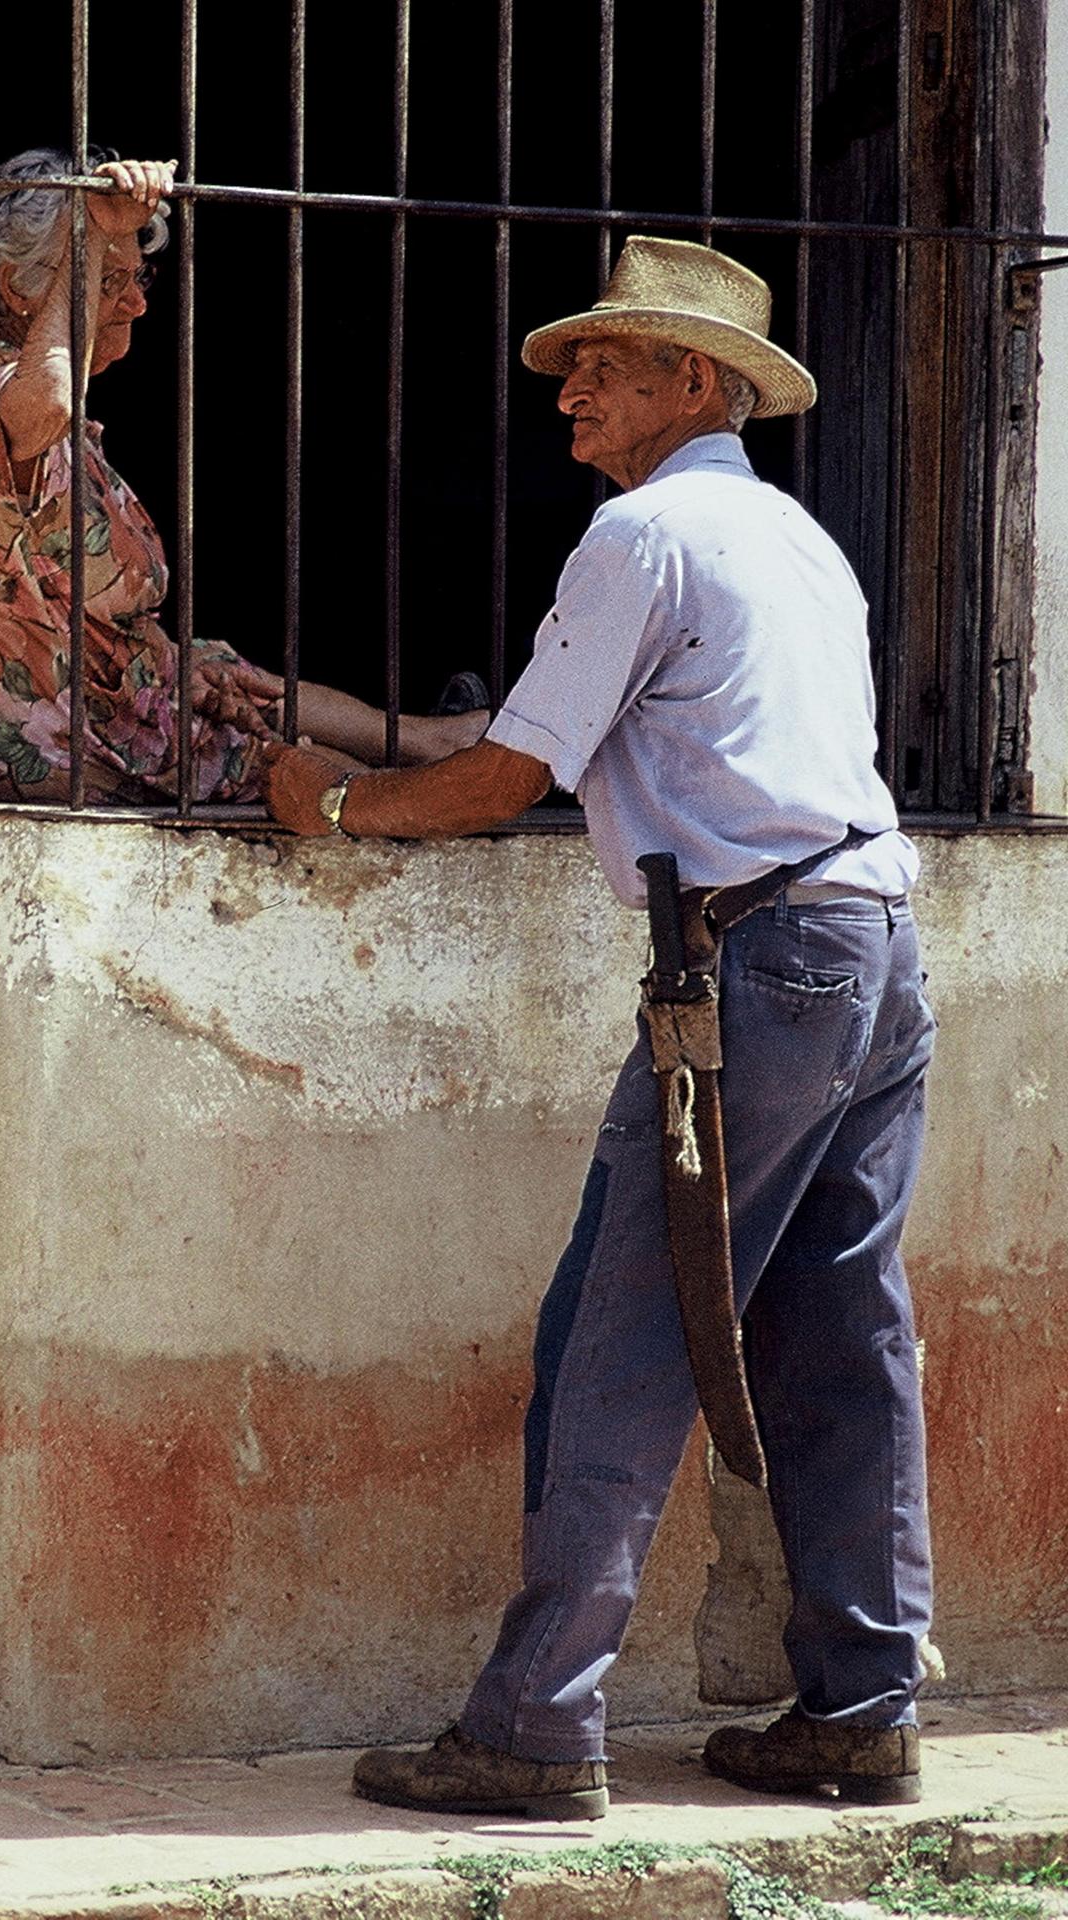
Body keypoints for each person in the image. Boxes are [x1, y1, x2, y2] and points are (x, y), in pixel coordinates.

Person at [267, 236, 936, 1819]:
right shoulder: (793, 540)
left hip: (760, 965)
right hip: (875, 944)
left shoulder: (639, 538)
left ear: (692, 384)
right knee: (843, 1337)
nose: (569, 389)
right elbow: (557, 745)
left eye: (605, 364)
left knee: (615, 1338)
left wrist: (343, 806)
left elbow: (507, 777)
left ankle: (535, 1727)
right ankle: (865, 1702)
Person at [0, 149, 489, 804]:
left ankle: (433, 748)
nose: (136, 302)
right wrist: (90, 234)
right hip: (53, 743)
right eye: (105, 279)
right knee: (311, 779)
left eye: (137, 276)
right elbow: (47, 405)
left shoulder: (39, 410)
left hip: (103, 710)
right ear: (19, 289)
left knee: (228, 678)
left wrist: (178, 672)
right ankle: (443, 782)